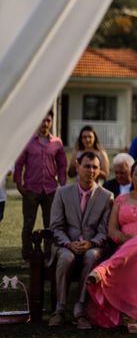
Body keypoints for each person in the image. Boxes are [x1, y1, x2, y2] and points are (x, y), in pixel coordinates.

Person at [87, 159, 137, 332]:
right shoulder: (121, 200)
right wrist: (127, 240)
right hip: (126, 247)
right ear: (131, 176)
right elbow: (112, 229)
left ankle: (103, 270)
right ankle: (133, 313)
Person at [48, 152, 113, 329]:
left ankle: (80, 310)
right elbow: (55, 226)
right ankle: (59, 310)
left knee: (92, 256)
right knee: (66, 258)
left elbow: (104, 230)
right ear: (77, 166)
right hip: (66, 245)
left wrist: (91, 243)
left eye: (94, 167)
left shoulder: (107, 196)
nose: (90, 171)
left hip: (92, 245)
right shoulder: (62, 192)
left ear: (100, 170)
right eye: (86, 166)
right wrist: (69, 243)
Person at [14, 111, 67, 263]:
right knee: (28, 224)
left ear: (51, 122)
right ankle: (28, 256)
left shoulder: (57, 143)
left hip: (51, 190)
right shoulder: (28, 142)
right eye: (42, 120)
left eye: (48, 120)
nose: (44, 124)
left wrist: (61, 184)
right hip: (31, 189)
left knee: (50, 225)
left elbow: (62, 165)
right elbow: (19, 164)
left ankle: (49, 255)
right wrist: (19, 184)